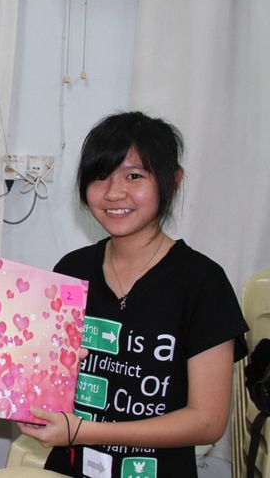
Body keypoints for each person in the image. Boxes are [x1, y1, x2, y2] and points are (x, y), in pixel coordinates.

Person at [18, 111, 248, 477]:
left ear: (173, 180)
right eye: (100, 176)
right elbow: (38, 379)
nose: (113, 193)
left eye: (134, 176)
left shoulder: (203, 282)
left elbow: (207, 421)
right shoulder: (72, 270)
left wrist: (83, 431)